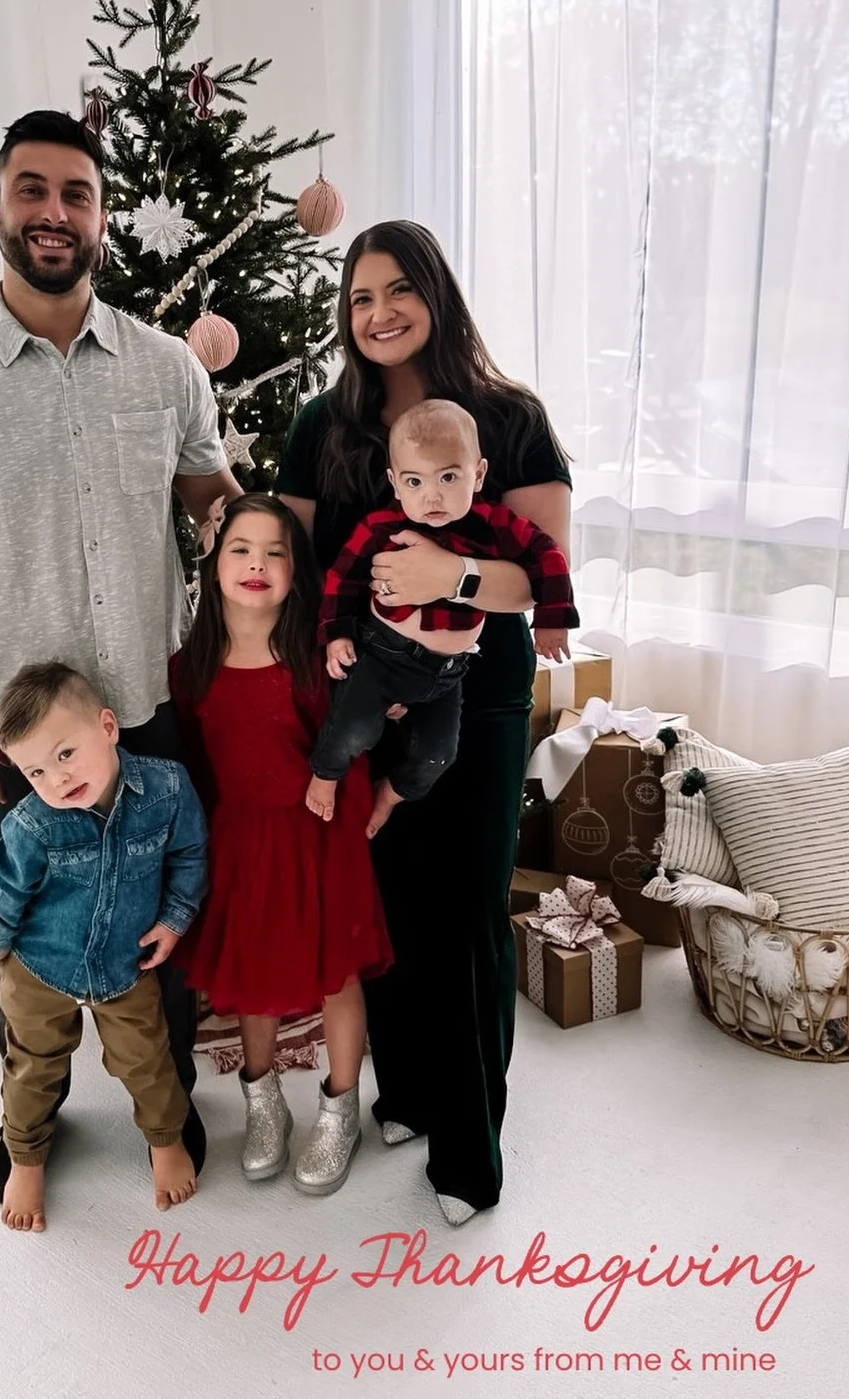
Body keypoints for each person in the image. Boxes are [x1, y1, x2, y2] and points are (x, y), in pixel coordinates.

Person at [0, 109, 242, 1201]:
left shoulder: (167, 368)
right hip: (21, 738)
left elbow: (212, 503)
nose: (53, 211)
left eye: (76, 193)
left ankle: (165, 1102)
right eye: (31, 190)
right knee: (27, 934)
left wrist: (249, 533)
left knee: (159, 936)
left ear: (102, 217)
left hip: (149, 708)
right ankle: (29, 1118)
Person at [276, 220, 574, 1227]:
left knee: (468, 910)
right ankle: (404, 1091)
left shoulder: (510, 417)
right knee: (391, 903)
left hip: (477, 697)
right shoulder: (323, 425)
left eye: (399, 289)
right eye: (360, 297)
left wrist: (450, 576)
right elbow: (302, 572)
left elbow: (541, 573)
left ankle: (471, 1146)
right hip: (370, 696)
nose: (380, 313)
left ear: (436, 295)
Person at [168, 494, 393, 1197]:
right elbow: (193, 767)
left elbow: (351, 751)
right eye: (241, 549)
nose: (257, 564)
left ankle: (340, 1109)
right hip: (239, 844)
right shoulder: (188, 667)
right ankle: (263, 1102)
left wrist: (348, 833)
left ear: (297, 571)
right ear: (214, 560)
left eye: (275, 552)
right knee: (252, 975)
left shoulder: (316, 662)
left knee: (337, 974)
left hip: (319, 839)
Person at [0, 662, 208, 1233]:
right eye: (36, 771)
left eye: (66, 754)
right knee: (31, 1064)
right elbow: (6, 889)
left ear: (106, 727)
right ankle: (26, 1157)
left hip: (126, 963)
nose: (56, 780)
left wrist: (174, 920)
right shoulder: (31, 824)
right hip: (40, 965)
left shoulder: (167, 789)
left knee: (147, 1057)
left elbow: (190, 855)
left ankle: (165, 1139)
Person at [308, 398, 577, 837]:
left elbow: (547, 556)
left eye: (448, 477)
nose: (431, 496)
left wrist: (552, 618)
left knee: (438, 755)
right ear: (395, 483)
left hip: (447, 672)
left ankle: (391, 793)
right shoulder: (381, 526)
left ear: (478, 474)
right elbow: (342, 577)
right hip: (383, 656)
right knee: (353, 731)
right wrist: (336, 634)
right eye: (414, 481)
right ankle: (325, 773)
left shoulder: (494, 525)